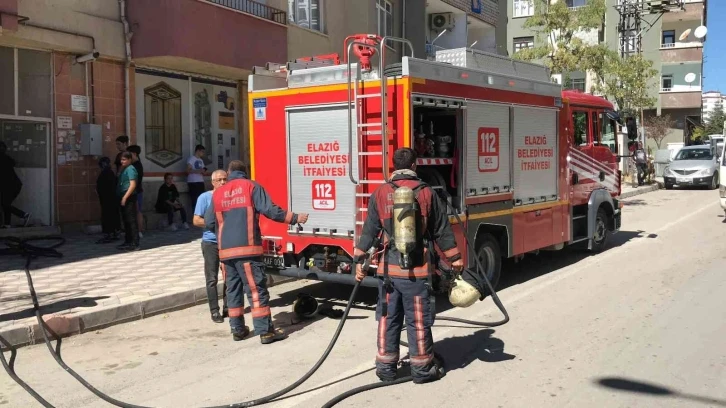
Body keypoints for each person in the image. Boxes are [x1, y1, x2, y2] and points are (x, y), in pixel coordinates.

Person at [353, 147, 463, 384]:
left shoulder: (380, 193)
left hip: (387, 273)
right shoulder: (426, 193)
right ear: (414, 166)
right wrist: (455, 259)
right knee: (418, 321)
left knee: (387, 318)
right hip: (416, 272)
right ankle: (423, 370)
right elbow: (441, 230)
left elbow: (369, 231)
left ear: (393, 166)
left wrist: (359, 261)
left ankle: (385, 369)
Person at [204, 160, 309, 343]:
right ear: (245, 172)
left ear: (229, 173)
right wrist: (294, 218)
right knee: (255, 290)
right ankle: (265, 332)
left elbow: (209, 222)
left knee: (233, 291)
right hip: (248, 250)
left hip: (226, 252)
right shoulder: (251, 187)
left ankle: (237, 330)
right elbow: (270, 210)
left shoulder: (218, 193)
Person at [194, 170, 229, 323]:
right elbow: (196, 220)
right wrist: (214, 225)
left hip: (228, 242)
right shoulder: (205, 197)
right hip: (211, 243)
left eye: (225, 179)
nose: (222, 182)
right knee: (212, 278)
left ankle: (229, 307)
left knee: (230, 277)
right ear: (213, 182)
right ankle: (215, 311)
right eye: (219, 180)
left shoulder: (231, 197)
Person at [0, 141, 31, 228]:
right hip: (13, 185)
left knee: (5, 204)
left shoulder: (2, 158)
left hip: (10, 186)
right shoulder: (6, 158)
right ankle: (7, 224)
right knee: (6, 204)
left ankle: (24, 215)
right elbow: (13, 163)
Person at [117, 152, 140, 251]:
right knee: (126, 220)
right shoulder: (124, 169)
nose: (122, 161)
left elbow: (133, 185)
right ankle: (128, 241)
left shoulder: (131, 169)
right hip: (123, 196)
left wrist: (125, 197)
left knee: (131, 221)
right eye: (121, 160)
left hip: (129, 197)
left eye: (124, 159)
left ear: (130, 159)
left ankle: (135, 243)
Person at [95, 157, 120, 243]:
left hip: (108, 199)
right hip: (109, 199)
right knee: (111, 215)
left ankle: (110, 233)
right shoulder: (109, 173)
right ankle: (113, 232)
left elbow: (105, 187)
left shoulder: (107, 173)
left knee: (108, 216)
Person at [127, 145, 145, 238]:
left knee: (137, 211)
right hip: (136, 191)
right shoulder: (135, 165)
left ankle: (138, 231)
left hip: (136, 192)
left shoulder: (136, 166)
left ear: (134, 154)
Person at [187, 144, 208, 210]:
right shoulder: (191, 159)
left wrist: (203, 171)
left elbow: (203, 169)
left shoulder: (201, 160)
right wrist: (198, 171)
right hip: (193, 182)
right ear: (198, 151)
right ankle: (195, 216)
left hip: (200, 181)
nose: (203, 153)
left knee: (202, 199)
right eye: (202, 151)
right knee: (194, 200)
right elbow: (188, 170)